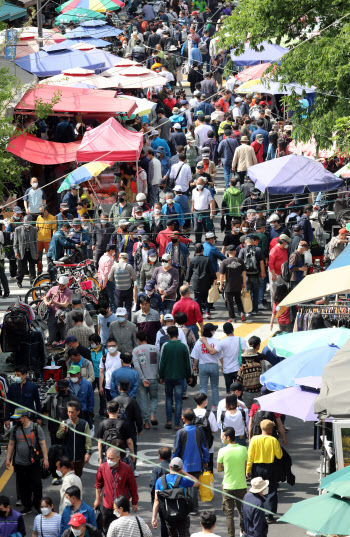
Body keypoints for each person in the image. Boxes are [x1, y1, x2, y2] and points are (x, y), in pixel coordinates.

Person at [6, 408, 49, 515]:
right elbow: (11, 444)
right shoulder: (15, 429)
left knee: (37, 485)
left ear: (25, 417)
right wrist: (8, 459)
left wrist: (46, 458)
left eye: (19, 418)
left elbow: (43, 444)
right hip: (20, 463)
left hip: (34, 463)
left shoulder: (35, 428)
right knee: (23, 486)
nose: (17, 420)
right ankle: (27, 505)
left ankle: (37, 505)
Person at [173, 409, 210, 515]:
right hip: (197, 463)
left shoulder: (180, 432)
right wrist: (206, 460)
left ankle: (187, 506)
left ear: (183, 418)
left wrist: (173, 462)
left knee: (184, 485)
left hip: (184, 465)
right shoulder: (199, 430)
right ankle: (194, 507)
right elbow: (204, 447)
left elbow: (176, 449)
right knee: (194, 485)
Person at [95, 447, 138, 534]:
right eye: (107, 458)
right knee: (106, 530)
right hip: (107, 506)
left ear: (118, 458)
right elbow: (98, 485)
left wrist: (134, 502)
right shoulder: (102, 467)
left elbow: (132, 486)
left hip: (122, 507)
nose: (109, 460)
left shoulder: (127, 469)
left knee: (123, 531)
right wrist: (97, 499)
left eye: (111, 458)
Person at [152, 457, 200, 537]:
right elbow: (197, 482)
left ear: (169, 466)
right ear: (181, 468)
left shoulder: (160, 481)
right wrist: (183, 472)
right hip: (183, 515)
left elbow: (156, 501)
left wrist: (154, 517)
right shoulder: (184, 480)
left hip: (168, 515)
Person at [246, 419, 283, 522]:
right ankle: (269, 515)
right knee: (271, 490)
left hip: (257, 467)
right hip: (269, 467)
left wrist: (248, 469)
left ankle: (257, 512)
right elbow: (279, 455)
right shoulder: (273, 440)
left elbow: (250, 456)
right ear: (270, 429)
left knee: (257, 489)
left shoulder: (254, 439)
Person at [159, 325, 192, 430]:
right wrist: (189, 376)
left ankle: (169, 421)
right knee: (178, 400)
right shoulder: (183, 346)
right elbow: (188, 363)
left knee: (168, 398)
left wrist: (161, 375)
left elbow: (162, 362)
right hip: (180, 377)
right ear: (178, 334)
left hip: (168, 377)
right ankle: (177, 423)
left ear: (168, 335)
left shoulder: (165, 346)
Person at [217, 426, 248, 537]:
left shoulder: (222, 451)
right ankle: (243, 532)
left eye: (223, 436)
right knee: (242, 512)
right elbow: (245, 467)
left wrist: (226, 467)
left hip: (227, 486)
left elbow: (219, 469)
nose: (222, 438)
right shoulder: (243, 449)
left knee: (229, 514)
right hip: (241, 485)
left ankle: (231, 535)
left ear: (228, 438)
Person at [202, 322, 248, 394]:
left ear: (223, 331)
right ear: (233, 329)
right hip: (238, 369)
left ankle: (230, 404)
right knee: (239, 391)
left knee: (229, 391)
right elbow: (245, 353)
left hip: (227, 370)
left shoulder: (222, 342)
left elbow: (212, 352)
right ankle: (239, 403)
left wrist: (205, 342)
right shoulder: (240, 340)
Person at [56, 400, 92, 477]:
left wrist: (88, 452)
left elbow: (88, 440)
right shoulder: (64, 423)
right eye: (68, 412)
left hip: (80, 458)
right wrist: (63, 431)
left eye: (72, 412)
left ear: (78, 412)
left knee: (78, 478)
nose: (70, 414)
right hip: (67, 459)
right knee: (68, 479)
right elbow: (58, 436)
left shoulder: (84, 424)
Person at [133, 330, 160, 429]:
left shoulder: (136, 350)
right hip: (153, 377)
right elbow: (159, 363)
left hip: (141, 379)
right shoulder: (155, 348)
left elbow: (136, 366)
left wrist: (143, 378)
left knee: (142, 400)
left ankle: (146, 422)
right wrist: (159, 376)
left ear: (138, 339)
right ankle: (152, 414)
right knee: (154, 397)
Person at [192, 323, 221, 411]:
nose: (214, 331)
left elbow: (195, 357)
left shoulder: (199, 342)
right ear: (211, 331)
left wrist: (194, 366)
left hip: (203, 366)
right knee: (214, 387)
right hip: (214, 366)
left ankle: (202, 405)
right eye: (214, 330)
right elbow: (220, 356)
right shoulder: (216, 341)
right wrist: (223, 366)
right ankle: (214, 406)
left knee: (203, 387)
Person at [186, 243, 216, 316]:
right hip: (206, 280)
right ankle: (207, 311)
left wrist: (188, 280)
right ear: (202, 250)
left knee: (197, 298)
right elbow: (211, 270)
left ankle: (199, 312)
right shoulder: (207, 259)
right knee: (206, 297)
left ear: (195, 251)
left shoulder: (192, 260)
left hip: (196, 281)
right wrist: (214, 278)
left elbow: (189, 271)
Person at [219, 245, 247, 323]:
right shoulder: (240, 261)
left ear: (227, 252)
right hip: (238, 284)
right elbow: (244, 273)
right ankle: (242, 313)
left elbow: (221, 275)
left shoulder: (225, 262)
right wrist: (244, 283)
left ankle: (232, 317)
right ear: (235, 252)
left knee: (230, 302)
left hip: (229, 285)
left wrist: (221, 285)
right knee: (238, 299)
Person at [44, 275, 73, 346]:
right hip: (52, 314)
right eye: (59, 285)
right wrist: (47, 303)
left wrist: (54, 302)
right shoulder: (53, 289)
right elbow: (46, 297)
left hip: (62, 316)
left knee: (63, 334)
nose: (60, 287)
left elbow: (65, 305)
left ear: (66, 284)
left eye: (62, 285)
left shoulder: (69, 292)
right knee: (51, 334)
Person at [193, 392, 218, 472]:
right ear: (204, 401)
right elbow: (215, 430)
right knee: (208, 470)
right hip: (208, 446)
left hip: (194, 445)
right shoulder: (209, 414)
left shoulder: (191, 413)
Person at [108, 252, 137, 320]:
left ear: (119, 258)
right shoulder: (129, 266)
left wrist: (115, 280)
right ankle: (128, 323)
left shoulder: (114, 266)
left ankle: (119, 322)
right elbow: (135, 278)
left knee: (118, 308)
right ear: (127, 259)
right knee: (128, 308)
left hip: (118, 290)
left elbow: (109, 278)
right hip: (128, 289)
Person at [13, 214, 38, 287]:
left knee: (32, 269)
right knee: (21, 269)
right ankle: (19, 281)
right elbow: (15, 243)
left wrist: (36, 252)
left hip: (31, 251)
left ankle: (33, 282)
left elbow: (35, 242)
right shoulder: (18, 229)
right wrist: (16, 251)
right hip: (21, 252)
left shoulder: (34, 229)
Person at [191, 178, 215, 242]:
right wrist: (192, 209)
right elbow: (193, 201)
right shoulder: (193, 191)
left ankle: (209, 242)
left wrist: (211, 212)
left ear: (204, 184)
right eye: (198, 183)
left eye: (200, 184)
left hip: (205, 212)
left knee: (207, 228)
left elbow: (211, 202)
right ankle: (198, 242)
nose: (199, 185)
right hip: (196, 212)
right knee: (196, 229)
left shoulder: (207, 191)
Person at [268, 235, 290, 304]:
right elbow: (270, 263)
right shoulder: (274, 250)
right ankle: (274, 308)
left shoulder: (284, 250)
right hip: (276, 274)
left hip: (283, 274)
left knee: (284, 291)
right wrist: (273, 275)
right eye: (286, 243)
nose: (287, 245)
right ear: (283, 242)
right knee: (274, 291)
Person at [98, 337, 121, 403]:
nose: (111, 347)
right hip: (108, 386)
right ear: (107, 347)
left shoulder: (121, 356)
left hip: (120, 386)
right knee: (111, 405)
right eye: (109, 346)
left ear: (117, 346)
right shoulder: (104, 357)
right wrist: (100, 386)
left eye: (113, 346)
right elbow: (101, 372)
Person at [36, 204, 57, 274]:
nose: (40, 213)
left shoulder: (52, 218)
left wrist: (54, 240)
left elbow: (54, 230)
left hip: (48, 240)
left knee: (49, 256)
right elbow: (37, 228)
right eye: (39, 211)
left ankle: (49, 270)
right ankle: (39, 270)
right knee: (38, 256)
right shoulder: (39, 217)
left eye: (41, 212)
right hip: (39, 240)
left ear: (46, 211)